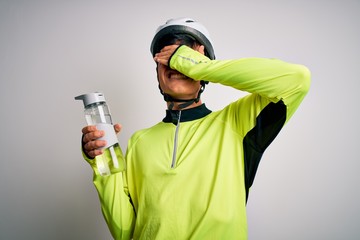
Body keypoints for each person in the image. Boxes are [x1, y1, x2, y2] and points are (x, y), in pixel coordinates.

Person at [80, 17, 311, 240]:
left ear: (203, 68)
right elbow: (124, 231)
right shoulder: (140, 142)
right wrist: (103, 161)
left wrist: (193, 64)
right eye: (165, 57)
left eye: (183, 54)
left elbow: (297, 80)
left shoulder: (236, 123)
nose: (173, 62)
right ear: (157, 74)